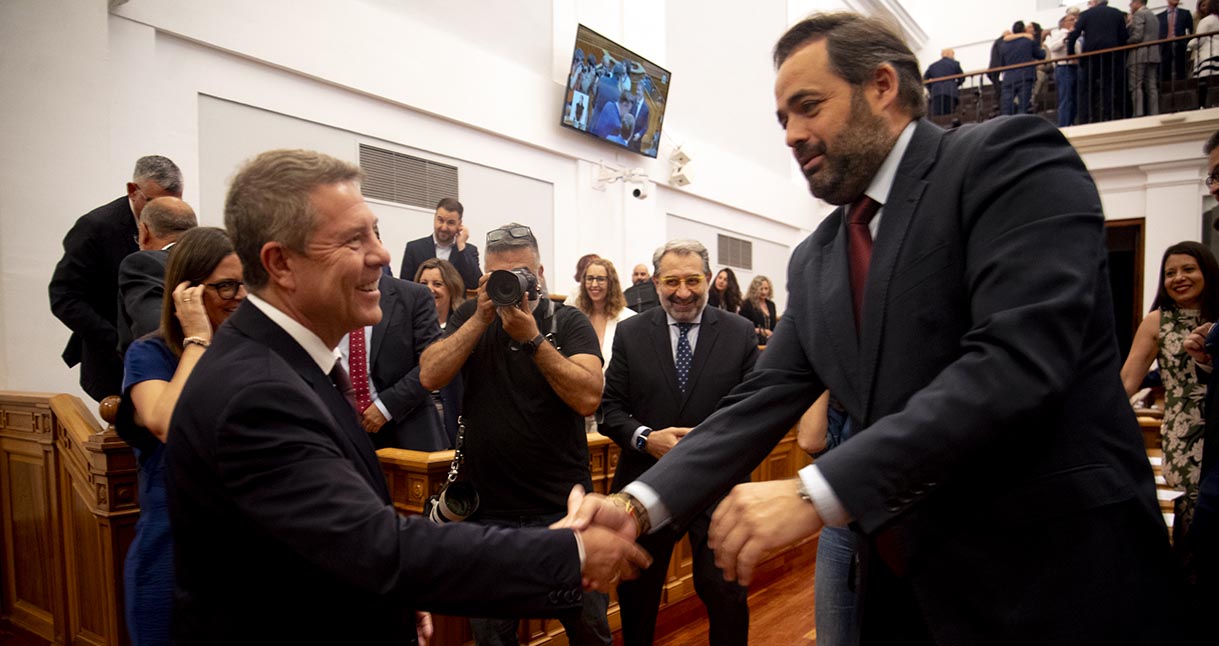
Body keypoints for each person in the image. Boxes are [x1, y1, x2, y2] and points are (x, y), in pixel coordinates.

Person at [567, 12, 1180, 644]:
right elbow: (757, 402)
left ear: (882, 86)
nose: (791, 135)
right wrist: (636, 506)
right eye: (782, 119)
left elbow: (1014, 365)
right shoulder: (818, 256)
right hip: (906, 590)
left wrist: (815, 492)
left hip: (1056, 580)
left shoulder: (1007, 160)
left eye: (808, 107)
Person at [166, 150, 647, 645]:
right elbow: (371, 546)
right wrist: (573, 554)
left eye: (375, 233)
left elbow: (331, 541)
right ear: (281, 263)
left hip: (553, 498)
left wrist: (389, 600)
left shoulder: (290, 366)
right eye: (355, 239)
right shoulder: (258, 392)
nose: (382, 254)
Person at [419, 223, 613, 646]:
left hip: (564, 511)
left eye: (520, 274)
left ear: (539, 274)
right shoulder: (470, 317)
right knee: (492, 638)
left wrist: (533, 339)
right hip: (488, 514)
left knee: (590, 634)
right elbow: (430, 374)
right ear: (483, 278)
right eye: (497, 276)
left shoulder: (568, 321)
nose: (509, 284)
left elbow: (588, 397)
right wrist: (480, 318)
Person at [600, 239, 757, 646]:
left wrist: (706, 448)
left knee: (726, 595)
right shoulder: (631, 333)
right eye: (672, 281)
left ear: (709, 279)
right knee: (637, 598)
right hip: (646, 484)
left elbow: (752, 413)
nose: (683, 292)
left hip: (718, 489)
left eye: (692, 280)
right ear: (655, 283)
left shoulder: (739, 332)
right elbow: (610, 410)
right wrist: (647, 439)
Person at [116, 227, 244, 646]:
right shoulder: (150, 353)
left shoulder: (254, 356)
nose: (241, 296)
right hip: (171, 554)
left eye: (247, 284)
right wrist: (197, 340)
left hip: (244, 557)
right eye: (226, 286)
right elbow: (167, 423)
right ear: (186, 291)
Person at [50, 155, 182, 401]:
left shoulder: (179, 222)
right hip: (111, 363)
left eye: (174, 202)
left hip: (169, 360)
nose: (165, 212)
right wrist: (121, 342)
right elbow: (64, 298)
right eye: (155, 202)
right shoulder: (94, 228)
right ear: (133, 191)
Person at [1120, 241, 1219, 547]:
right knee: (1191, 515)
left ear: (1207, 272)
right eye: (1170, 273)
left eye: (1188, 269)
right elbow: (1127, 381)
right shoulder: (1157, 321)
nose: (1179, 278)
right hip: (1184, 433)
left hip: (1218, 424)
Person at [339, 271, 449, 452]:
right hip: (342, 430)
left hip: (406, 428)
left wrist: (385, 407)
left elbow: (431, 365)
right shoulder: (325, 296)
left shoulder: (414, 296)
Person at [117, 197, 198, 356]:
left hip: (165, 366)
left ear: (144, 232)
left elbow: (153, 328)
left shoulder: (143, 264)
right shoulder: (218, 261)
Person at [415, 257, 466, 446]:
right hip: (419, 413)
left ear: (451, 288)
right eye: (423, 284)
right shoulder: (407, 327)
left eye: (437, 284)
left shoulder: (464, 327)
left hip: (454, 413)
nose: (429, 289)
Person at [399, 197, 482, 290]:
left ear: (459, 224)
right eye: (440, 220)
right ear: (434, 218)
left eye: (450, 223)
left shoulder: (468, 251)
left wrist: (461, 246)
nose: (444, 227)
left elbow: (475, 283)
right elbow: (404, 288)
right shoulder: (414, 248)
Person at [1069, 0, 1130, 123]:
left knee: (1087, 87)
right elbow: (1123, 36)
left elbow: (1074, 34)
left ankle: (1086, 117)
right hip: (1111, 54)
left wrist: (1071, 54)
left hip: (1091, 55)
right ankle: (1108, 114)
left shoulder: (1086, 14)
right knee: (1108, 84)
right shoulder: (1117, 13)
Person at [575, 257, 635, 372]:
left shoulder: (628, 318)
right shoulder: (578, 318)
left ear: (611, 283)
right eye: (590, 278)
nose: (594, 284)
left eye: (600, 279)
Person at [999, 22, 1046, 115]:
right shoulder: (1028, 41)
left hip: (1009, 78)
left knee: (1007, 107)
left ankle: (1007, 122)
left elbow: (1002, 63)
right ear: (1024, 30)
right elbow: (1041, 55)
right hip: (1025, 76)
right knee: (1023, 106)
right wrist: (1042, 44)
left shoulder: (1004, 45)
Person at [1046, 12, 1080, 126]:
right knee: (1066, 96)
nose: (1074, 21)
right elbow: (1052, 47)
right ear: (1063, 23)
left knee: (1074, 97)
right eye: (1071, 19)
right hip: (1063, 67)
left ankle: (1072, 121)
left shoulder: (1076, 35)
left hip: (1074, 67)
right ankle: (1064, 124)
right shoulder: (1058, 34)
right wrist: (1064, 39)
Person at [1128, 0, 1161, 118]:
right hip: (1153, 54)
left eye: (1131, 3)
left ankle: (1138, 113)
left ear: (1137, 2)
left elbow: (1137, 36)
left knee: (1135, 85)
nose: (1130, 5)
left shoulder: (1139, 14)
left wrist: (1125, 42)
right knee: (1151, 85)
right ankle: (1154, 112)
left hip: (1139, 54)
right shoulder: (1154, 16)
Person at [1189, 0, 1219, 110]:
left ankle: (1202, 106)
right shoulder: (1217, 19)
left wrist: (1188, 44)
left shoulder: (1206, 21)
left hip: (1207, 56)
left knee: (1203, 83)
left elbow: (1199, 40)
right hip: (1217, 54)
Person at [1160, 0, 1195, 84]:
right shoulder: (1160, 16)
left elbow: (1191, 31)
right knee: (1165, 72)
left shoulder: (1185, 13)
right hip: (1164, 47)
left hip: (1180, 45)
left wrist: (1185, 43)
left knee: (1181, 70)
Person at [923, 48, 963, 117]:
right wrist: (955, 85)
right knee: (950, 114)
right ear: (950, 54)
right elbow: (962, 78)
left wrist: (931, 87)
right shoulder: (955, 63)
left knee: (937, 115)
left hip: (936, 92)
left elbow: (925, 79)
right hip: (950, 92)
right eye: (953, 54)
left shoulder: (933, 66)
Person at [739, 275, 777, 345]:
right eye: (761, 289)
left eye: (766, 288)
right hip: (753, 341)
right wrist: (763, 331)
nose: (764, 292)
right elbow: (743, 327)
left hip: (770, 342)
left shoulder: (771, 305)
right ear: (755, 289)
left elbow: (774, 326)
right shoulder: (747, 304)